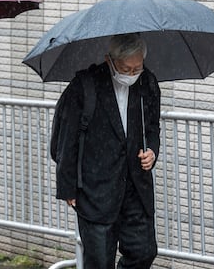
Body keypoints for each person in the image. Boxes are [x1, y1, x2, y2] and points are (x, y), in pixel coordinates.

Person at [54, 33, 161, 269]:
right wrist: (68, 185)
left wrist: (152, 151)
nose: (132, 74)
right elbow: (66, 138)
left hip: (135, 186)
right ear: (109, 60)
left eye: (137, 68)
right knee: (100, 261)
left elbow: (153, 128)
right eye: (126, 68)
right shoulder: (85, 85)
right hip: (95, 187)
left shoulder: (148, 83)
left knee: (144, 251)